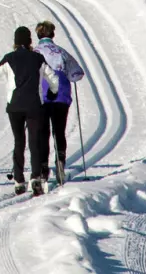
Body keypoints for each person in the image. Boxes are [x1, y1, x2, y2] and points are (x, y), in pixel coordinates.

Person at [0, 25, 49, 195]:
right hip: (34, 105)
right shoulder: (38, 58)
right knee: (34, 141)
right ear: (30, 41)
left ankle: (19, 180)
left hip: (14, 107)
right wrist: (54, 91)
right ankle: (36, 177)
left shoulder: (9, 58)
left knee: (18, 141)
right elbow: (53, 78)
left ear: (15, 42)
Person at [33, 20, 86, 185]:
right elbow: (77, 73)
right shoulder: (62, 52)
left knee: (43, 132)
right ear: (52, 34)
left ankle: (42, 168)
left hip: (41, 95)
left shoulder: (34, 52)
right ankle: (60, 162)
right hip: (61, 95)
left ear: (38, 35)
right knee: (59, 130)